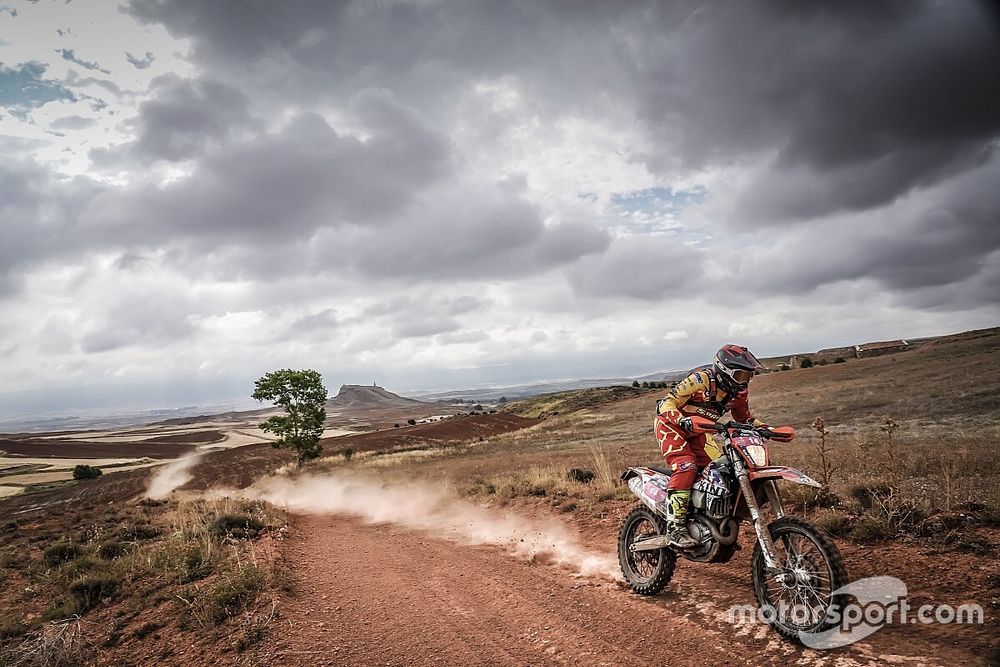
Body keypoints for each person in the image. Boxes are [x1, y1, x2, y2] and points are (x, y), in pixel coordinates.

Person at [653, 345, 765, 548]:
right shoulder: (701, 380)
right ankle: (675, 528)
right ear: (725, 370)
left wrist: (765, 428)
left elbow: (744, 418)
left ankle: (708, 520)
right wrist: (681, 420)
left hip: (700, 432)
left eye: (749, 376)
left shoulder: (739, 393)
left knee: (716, 471)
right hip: (672, 427)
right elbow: (665, 403)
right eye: (740, 375)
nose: (745, 381)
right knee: (686, 465)